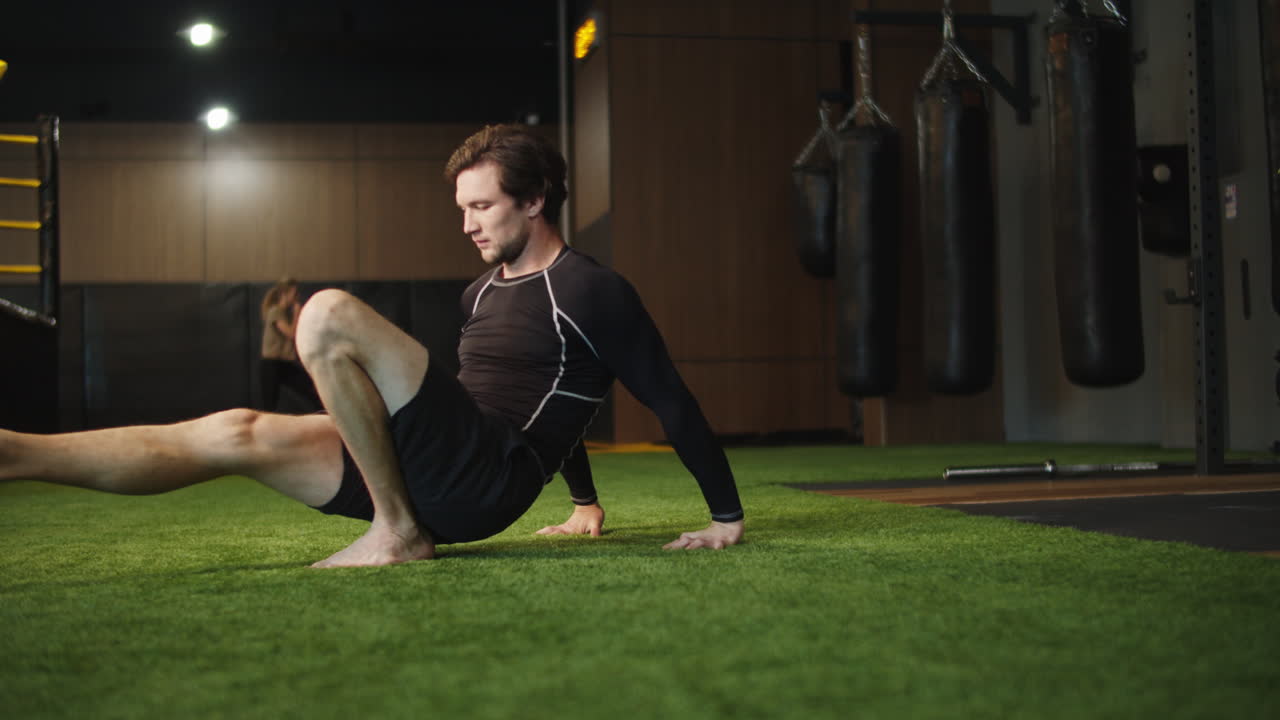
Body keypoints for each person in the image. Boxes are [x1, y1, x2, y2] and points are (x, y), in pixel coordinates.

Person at [0, 124, 744, 568]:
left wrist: (724, 517)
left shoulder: (590, 290)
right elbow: (560, 393)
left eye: (482, 206)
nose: (469, 226)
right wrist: (584, 503)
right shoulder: (479, 294)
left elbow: (665, 395)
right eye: (463, 209)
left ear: (536, 197)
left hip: (482, 482)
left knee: (323, 314)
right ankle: (17, 454)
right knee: (237, 432)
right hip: (435, 470)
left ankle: (396, 532)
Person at [259, 277, 320, 412]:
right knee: (269, 405)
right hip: (272, 364)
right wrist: (297, 314)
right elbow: (291, 334)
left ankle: (322, 414)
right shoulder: (275, 311)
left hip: (284, 364)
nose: (296, 297)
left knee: (310, 389)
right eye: (294, 293)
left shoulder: (283, 313)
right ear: (284, 294)